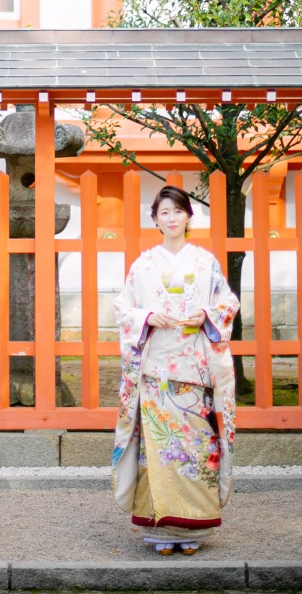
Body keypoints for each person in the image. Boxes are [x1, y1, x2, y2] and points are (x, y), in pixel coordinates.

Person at [111, 185, 239, 556]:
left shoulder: (205, 262)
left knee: (196, 447)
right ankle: (160, 531)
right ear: (155, 219)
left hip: (195, 368)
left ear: (188, 217)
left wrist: (207, 315)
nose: (170, 218)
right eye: (163, 212)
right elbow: (124, 309)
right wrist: (148, 316)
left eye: (177, 211)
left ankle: (191, 528)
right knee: (158, 449)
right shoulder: (144, 263)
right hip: (156, 369)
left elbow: (226, 301)